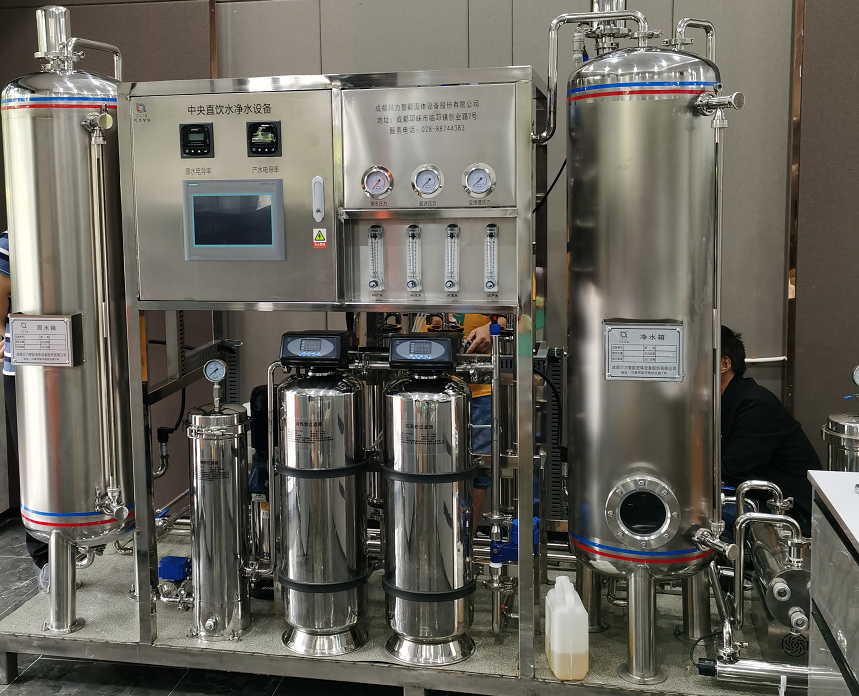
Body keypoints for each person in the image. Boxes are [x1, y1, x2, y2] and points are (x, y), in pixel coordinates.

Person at [720, 325, 820, 536]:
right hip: (753, 497)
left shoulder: (755, 403)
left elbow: (731, 471)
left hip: (790, 513)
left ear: (724, 364)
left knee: (696, 518)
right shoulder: (724, 399)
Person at [0, 230, 50, 590]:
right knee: (35, 465)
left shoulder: (97, 226)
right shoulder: (13, 236)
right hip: (25, 369)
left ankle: (100, 536)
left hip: (89, 367)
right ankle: (46, 556)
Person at [426, 313, 506, 531]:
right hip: (432, 386)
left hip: (479, 391)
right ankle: (435, 535)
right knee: (429, 462)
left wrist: (492, 327)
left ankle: (467, 538)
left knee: (478, 468)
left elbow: (521, 317)